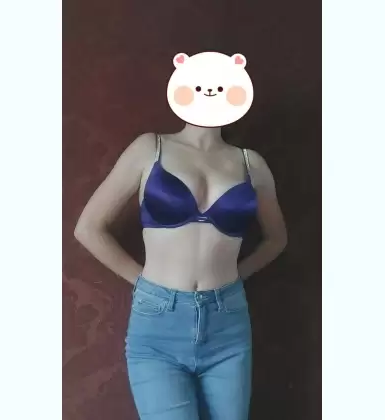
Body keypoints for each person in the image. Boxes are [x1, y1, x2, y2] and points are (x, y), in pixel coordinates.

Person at [74, 124, 287, 419]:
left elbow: (276, 239)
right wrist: (143, 283)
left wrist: (237, 276)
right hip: (158, 326)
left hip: (227, 324)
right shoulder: (150, 149)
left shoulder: (252, 164)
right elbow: (88, 229)